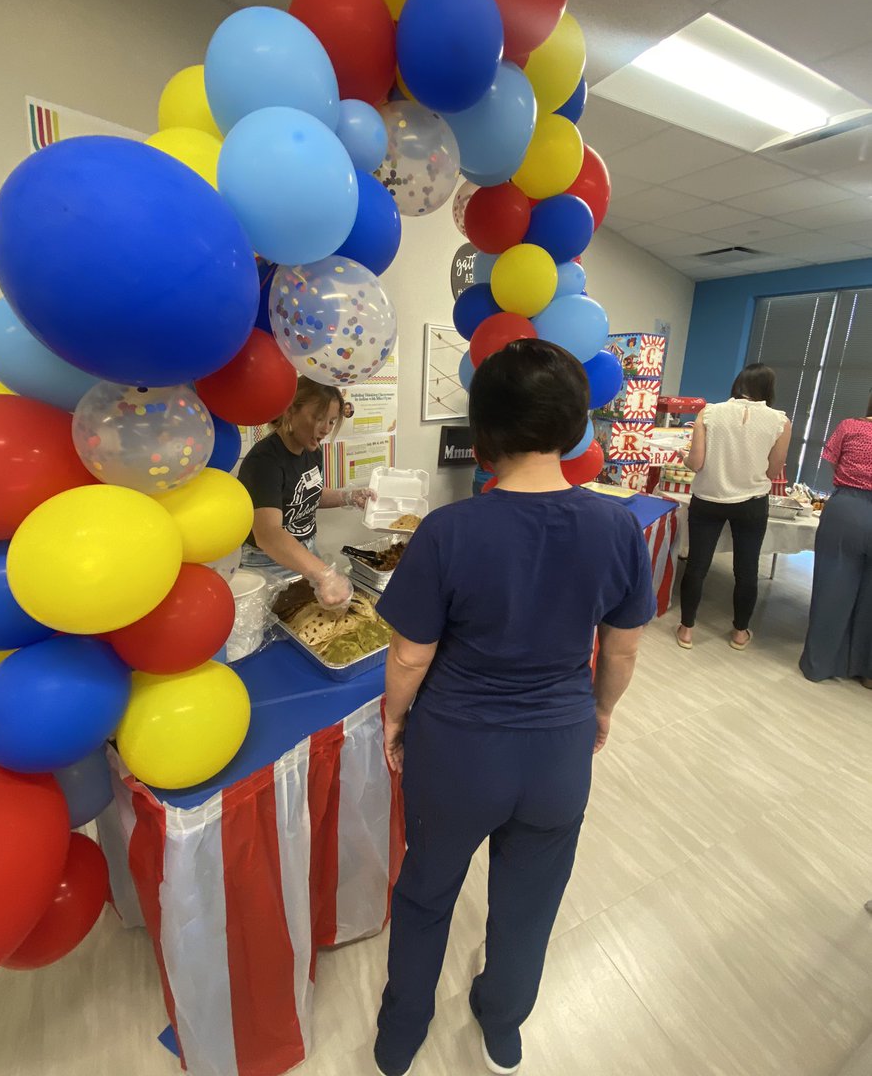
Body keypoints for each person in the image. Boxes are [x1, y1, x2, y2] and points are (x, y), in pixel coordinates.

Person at [371, 340, 656, 1076]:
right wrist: (601, 712)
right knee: (530, 904)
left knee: (427, 891)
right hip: (558, 748)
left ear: (485, 429)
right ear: (576, 425)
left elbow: (410, 656)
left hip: (457, 750)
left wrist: (394, 718)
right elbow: (621, 653)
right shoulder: (619, 527)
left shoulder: (449, 530)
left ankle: (401, 1034)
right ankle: (502, 1025)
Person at [676, 364, 791, 651]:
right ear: (769, 389)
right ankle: (740, 632)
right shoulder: (780, 421)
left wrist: (683, 457)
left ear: (738, 384)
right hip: (752, 503)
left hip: (708, 499)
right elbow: (773, 470)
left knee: (697, 566)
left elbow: (696, 462)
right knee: (747, 569)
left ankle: (687, 629)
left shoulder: (709, 413)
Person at [237, 377, 373, 607]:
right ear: (290, 411)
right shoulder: (264, 461)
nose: (326, 429)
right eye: (319, 418)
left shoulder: (312, 450)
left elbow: (310, 494)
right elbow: (268, 534)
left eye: (332, 421)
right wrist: (323, 573)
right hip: (269, 561)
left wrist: (347, 497)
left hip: (305, 550)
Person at [800, 392, 872, 687]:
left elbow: (833, 462)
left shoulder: (850, 426)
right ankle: (867, 672)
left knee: (832, 588)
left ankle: (819, 665)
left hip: (846, 510)